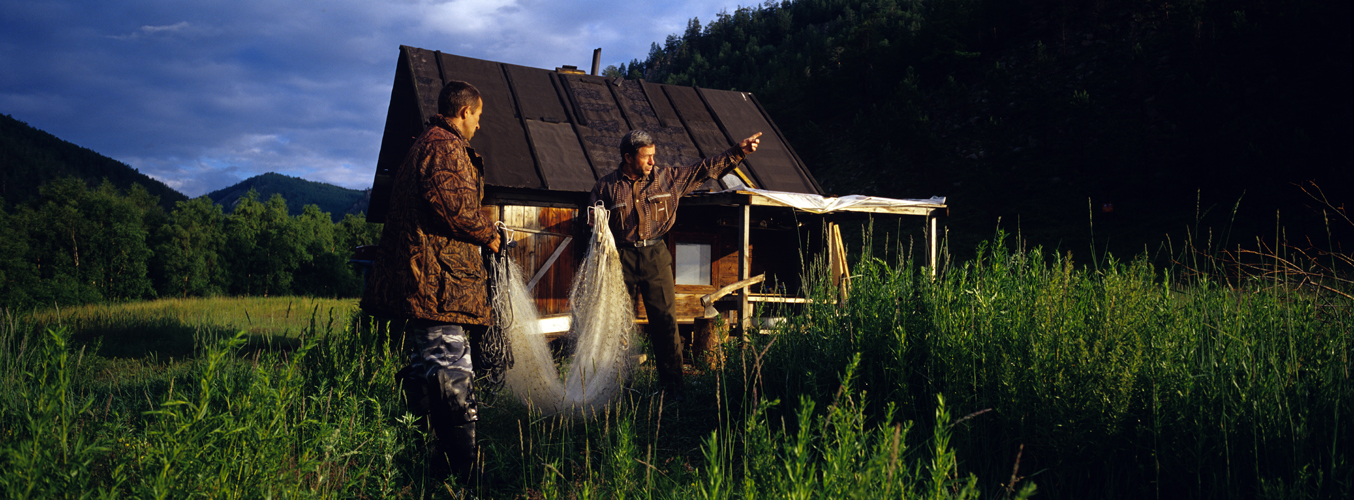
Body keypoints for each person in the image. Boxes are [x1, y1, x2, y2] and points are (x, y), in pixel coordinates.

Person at [361, 80, 504, 485]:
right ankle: (462, 477)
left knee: (427, 372)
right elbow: (454, 208)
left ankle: (425, 461)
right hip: (439, 285)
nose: (479, 123)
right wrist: (490, 232)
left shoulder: (425, 143)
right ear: (463, 112)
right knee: (451, 373)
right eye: (477, 115)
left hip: (426, 282)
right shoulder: (444, 146)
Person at [589, 129, 761, 401]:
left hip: (656, 255)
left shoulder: (667, 178)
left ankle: (674, 392)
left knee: (665, 324)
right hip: (619, 259)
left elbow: (705, 168)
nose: (652, 162)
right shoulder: (605, 187)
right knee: (617, 325)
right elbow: (594, 229)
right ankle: (616, 390)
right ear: (628, 157)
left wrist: (738, 151)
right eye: (646, 157)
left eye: (653, 156)